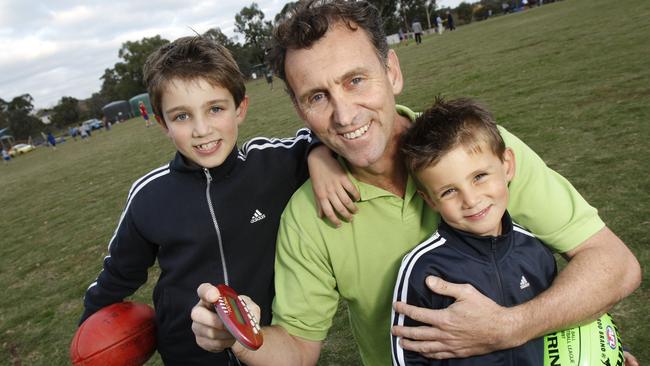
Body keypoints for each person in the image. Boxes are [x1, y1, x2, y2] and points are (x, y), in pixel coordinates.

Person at [190, 1, 640, 365]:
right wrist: (239, 336)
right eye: (318, 96)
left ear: (392, 72)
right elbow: (298, 350)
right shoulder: (309, 217)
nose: (345, 115)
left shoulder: (477, 155)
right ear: (299, 109)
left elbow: (614, 264)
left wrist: (510, 326)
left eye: (356, 80)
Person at [79, 36, 356, 365]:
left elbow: (318, 133)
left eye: (215, 109)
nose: (201, 129)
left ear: (240, 109)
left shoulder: (272, 165)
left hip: (268, 347)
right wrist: (88, 333)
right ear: (162, 123)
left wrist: (319, 156)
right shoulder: (148, 197)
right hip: (187, 355)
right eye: (181, 116)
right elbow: (117, 277)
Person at [391, 98, 557, 365]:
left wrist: (607, 353)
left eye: (479, 176)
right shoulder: (425, 269)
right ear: (430, 200)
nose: (470, 200)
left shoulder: (535, 250)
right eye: (449, 191)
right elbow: (407, 356)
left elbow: (562, 324)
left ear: (507, 165)